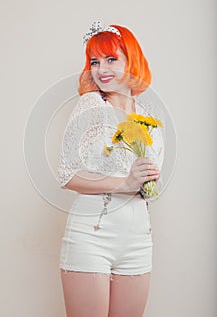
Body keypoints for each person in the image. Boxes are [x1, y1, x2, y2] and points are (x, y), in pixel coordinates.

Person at [57, 21, 164, 317]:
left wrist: (147, 182)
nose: (101, 69)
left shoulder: (148, 117)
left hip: (138, 239)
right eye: (94, 61)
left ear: (132, 61)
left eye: (111, 59)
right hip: (92, 235)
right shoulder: (91, 106)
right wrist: (124, 183)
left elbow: (150, 187)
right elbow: (67, 175)